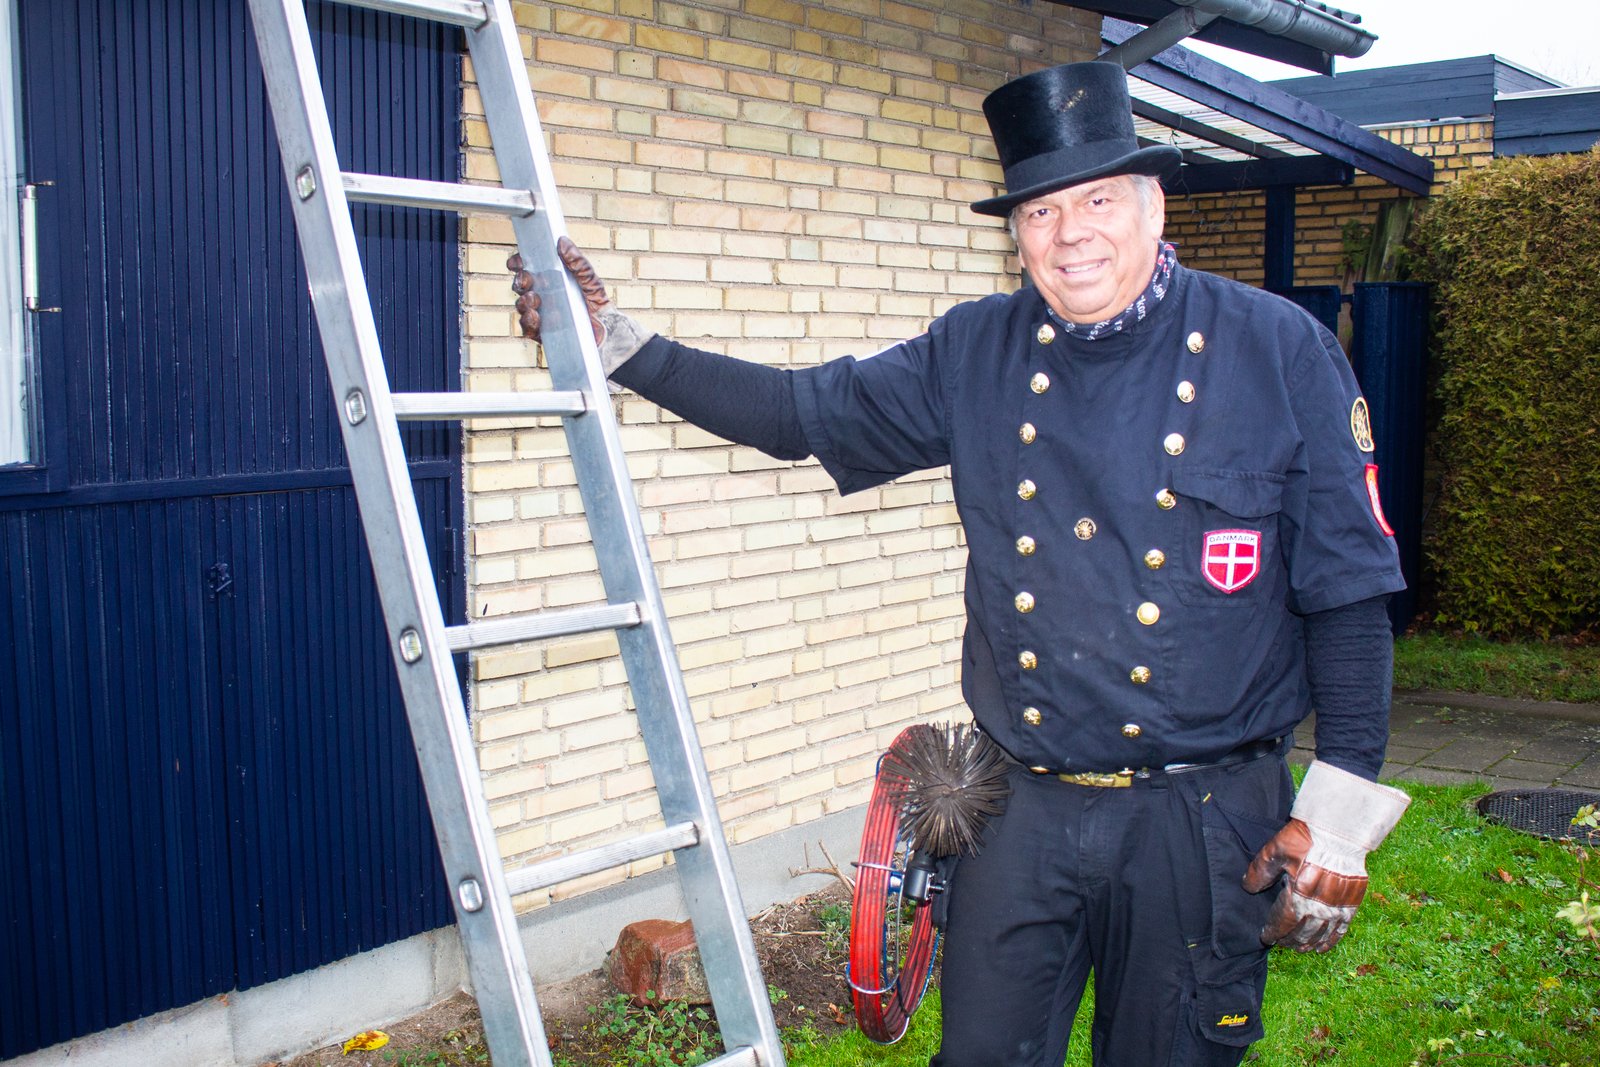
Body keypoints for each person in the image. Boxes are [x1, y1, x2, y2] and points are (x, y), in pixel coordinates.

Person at [511, 61, 1411, 1067]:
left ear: (1153, 204)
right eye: (1039, 211)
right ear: (1016, 233)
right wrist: (620, 345)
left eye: (1098, 200)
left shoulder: (1276, 349)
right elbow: (798, 413)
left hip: (1200, 815)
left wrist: (1337, 818)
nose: (1069, 234)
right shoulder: (977, 348)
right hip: (1022, 803)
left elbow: (1348, 590)